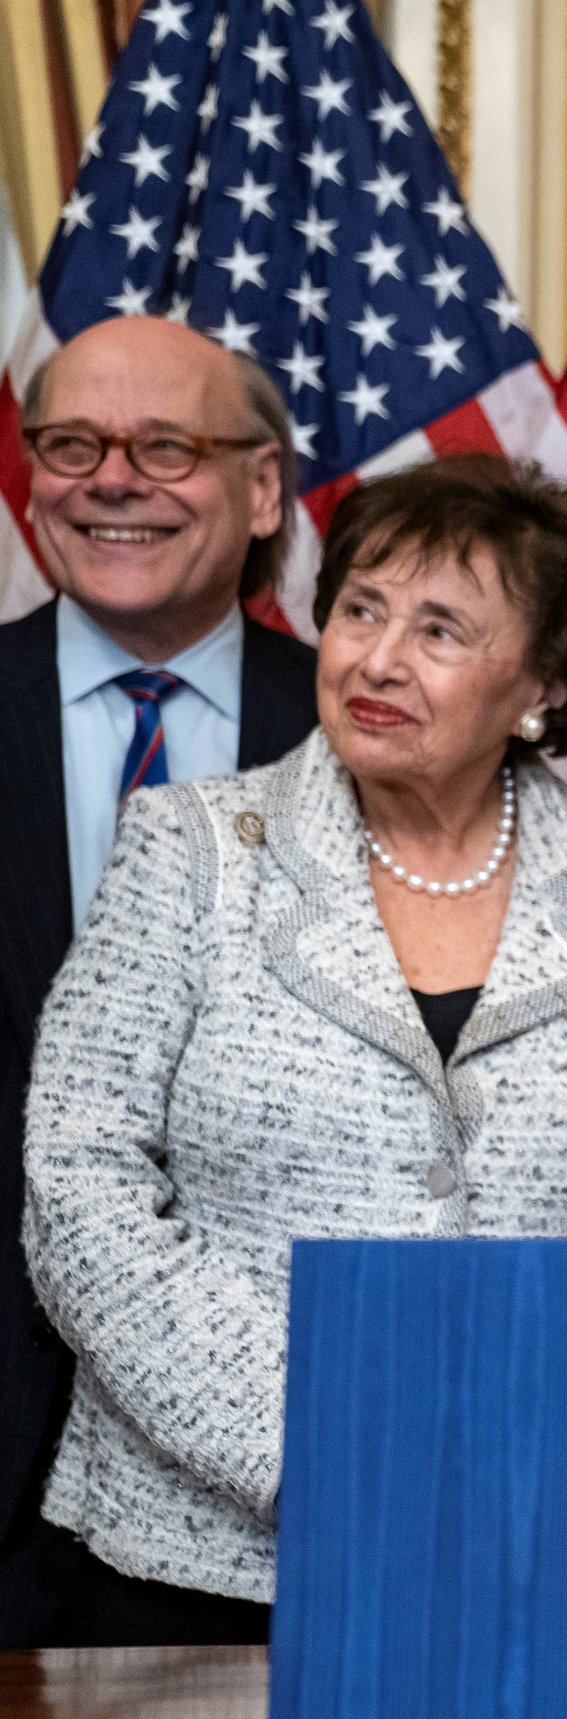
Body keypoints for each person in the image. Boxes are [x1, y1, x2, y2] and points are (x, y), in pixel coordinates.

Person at [20, 455, 567, 1645]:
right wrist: (315, 1451)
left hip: (538, 1546)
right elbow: (79, 1179)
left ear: (541, 689)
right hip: (200, 1565)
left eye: (440, 629)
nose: (377, 659)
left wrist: (532, 1463)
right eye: (361, 609)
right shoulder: (191, 846)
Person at [0, 318, 320, 1648]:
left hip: (284, 1472)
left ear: (262, 490)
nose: (110, 479)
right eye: (70, 444)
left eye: (165, 446)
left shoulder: (377, 743)